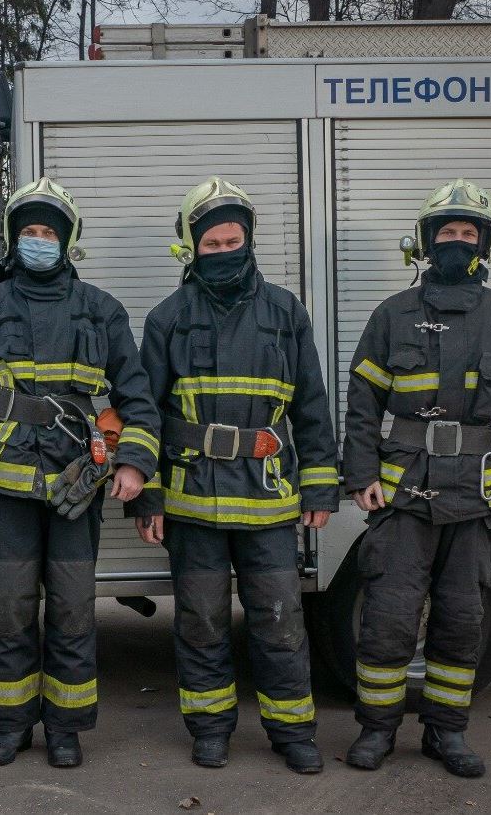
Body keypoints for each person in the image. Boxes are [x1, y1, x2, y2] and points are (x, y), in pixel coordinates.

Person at [0, 177, 160, 768]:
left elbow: (136, 398)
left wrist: (135, 462)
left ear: (67, 242)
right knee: (8, 608)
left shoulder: (102, 311)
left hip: (77, 490)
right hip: (6, 490)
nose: (37, 241)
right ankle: (10, 726)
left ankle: (67, 728)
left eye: (48, 233)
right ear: (14, 241)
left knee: (71, 609)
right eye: (28, 232)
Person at [126, 177, 339, 773]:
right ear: (192, 248)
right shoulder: (168, 318)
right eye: (212, 243)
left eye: (233, 239)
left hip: (269, 501)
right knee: (201, 620)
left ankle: (293, 732)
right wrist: (150, 499)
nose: (224, 250)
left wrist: (320, 483)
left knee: (278, 620)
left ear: (249, 241)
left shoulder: (285, 312)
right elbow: (149, 414)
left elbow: (312, 407)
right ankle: (210, 728)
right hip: (192, 501)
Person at [342, 178, 491, 778]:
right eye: (446, 232)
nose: (456, 242)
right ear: (425, 243)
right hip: (404, 493)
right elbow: (361, 404)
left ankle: (447, 733)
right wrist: (360, 475)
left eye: (468, 233)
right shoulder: (393, 314)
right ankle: (376, 730)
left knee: (464, 622)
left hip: (476, 498)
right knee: (387, 618)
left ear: (485, 244)